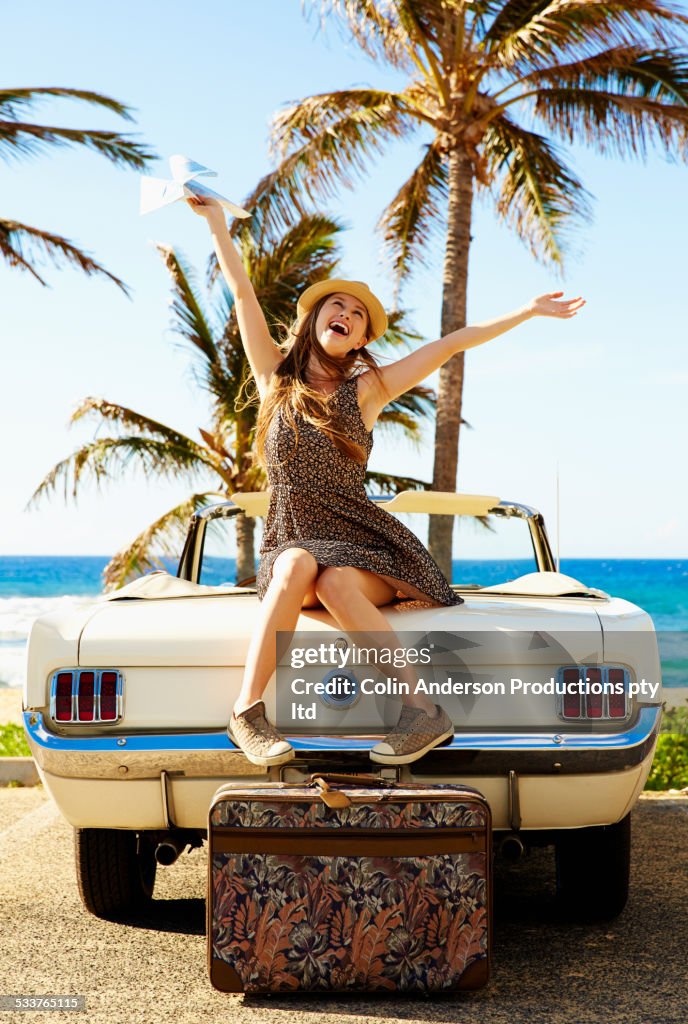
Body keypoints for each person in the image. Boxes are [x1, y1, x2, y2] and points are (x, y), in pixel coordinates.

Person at [188, 195, 585, 768]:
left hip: (358, 542)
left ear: (359, 340)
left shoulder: (366, 392)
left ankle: (423, 713)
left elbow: (449, 345)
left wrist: (525, 311)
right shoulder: (274, 377)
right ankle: (247, 712)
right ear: (314, 320)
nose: (344, 312)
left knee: (335, 584)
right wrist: (217, 224)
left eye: (356, 314)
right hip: (293, 543)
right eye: (335, 305)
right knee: (300, 563)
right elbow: (242, 290)